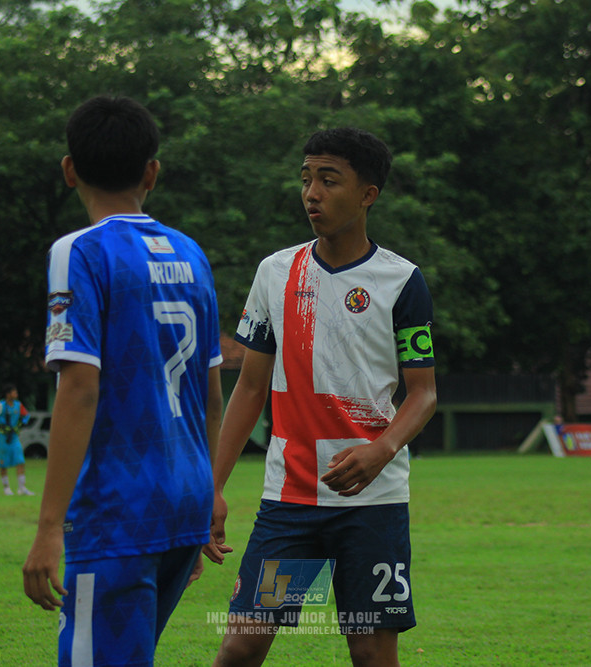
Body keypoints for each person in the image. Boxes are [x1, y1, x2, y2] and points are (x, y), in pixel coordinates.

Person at [203, 127, 437, 666]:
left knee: (372, 654)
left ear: (367, 194)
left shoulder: (401, 282)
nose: (312, 193)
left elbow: (422, 394)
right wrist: (211, 487)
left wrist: (381, 451)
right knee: (239, 647)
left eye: (329, 180)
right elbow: (250, 388)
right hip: (290, 505)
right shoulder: (275, 272)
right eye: (306, 178)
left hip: (372, 505)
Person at [21, 95, 223, 667]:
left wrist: (48, 529)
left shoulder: (79, 252)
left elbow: (80, 388)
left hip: (118, 511)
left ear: (69, 169)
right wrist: (209, 494)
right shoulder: (192, 255)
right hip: (186, 503)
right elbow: (212, 396)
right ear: (151, 172)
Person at [0, 384, 33, 496]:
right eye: (14, 392)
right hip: (3, 437)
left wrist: (22, 423)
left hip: (14, 436)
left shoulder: (18, 405)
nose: (16, 394)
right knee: (3, 463)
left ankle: (22, 487)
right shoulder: (0, 406)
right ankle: (6, 488)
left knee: (20, 460)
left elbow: (26, 415)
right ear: (8, 394)